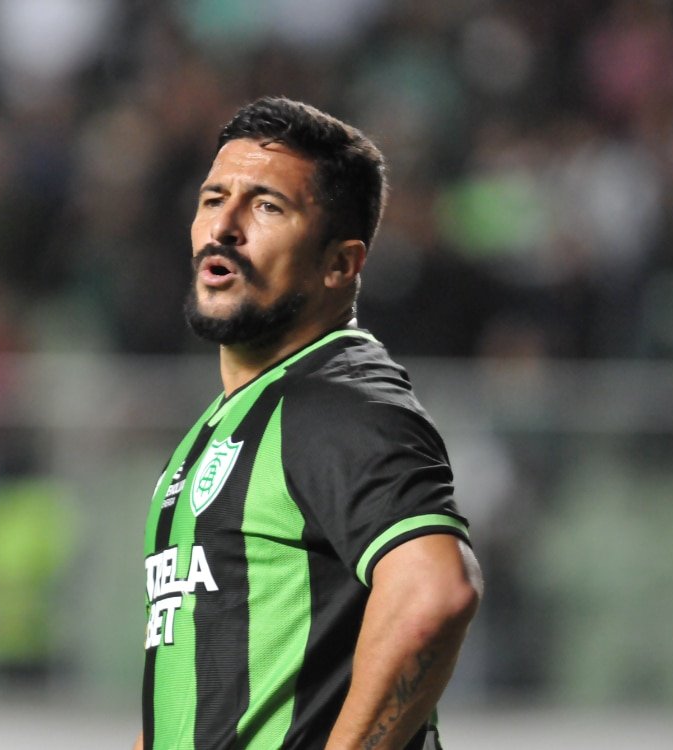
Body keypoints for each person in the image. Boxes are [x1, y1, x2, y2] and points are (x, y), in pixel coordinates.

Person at [137, 97, 483, 750]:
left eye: (268, 206)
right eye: (214, 199)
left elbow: (435, 592)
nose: (225, 227)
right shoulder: (225, 421)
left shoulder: (340, 399)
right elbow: (190, 705)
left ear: (341, 264)